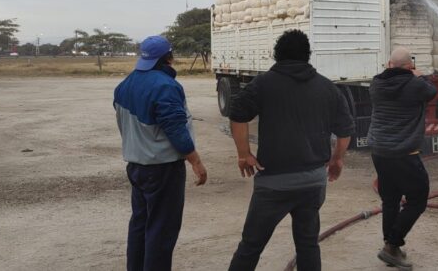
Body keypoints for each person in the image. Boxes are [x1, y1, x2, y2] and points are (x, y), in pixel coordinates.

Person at [227, 29, 354, 271]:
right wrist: (337, 159)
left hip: (273, 184)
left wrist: (244, 154)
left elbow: (237, 115)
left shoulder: (262, 84)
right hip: (313, 183)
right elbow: (345, 130)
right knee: (308, 245)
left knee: (251, 245)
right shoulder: (327, 88)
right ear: (307, 55)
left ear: (277, 55)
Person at [113, 35, 208, 271]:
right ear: (169, 57)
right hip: (162, 168)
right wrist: (196, 161)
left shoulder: (125, 85)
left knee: (140, 224)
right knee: (161, 231)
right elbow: (176, 130)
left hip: (136, 166)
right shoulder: (165, 86)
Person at [367, 47, 438, 270]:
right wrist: (419, 75)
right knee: (418, 198)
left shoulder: (376, 84)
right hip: (404, 154)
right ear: (410, 67)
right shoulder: (416, 84)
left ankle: (392, 249)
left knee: (390, 200)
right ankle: (392, 244)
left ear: (389, 64)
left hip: (380, 152)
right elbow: (431, 92)